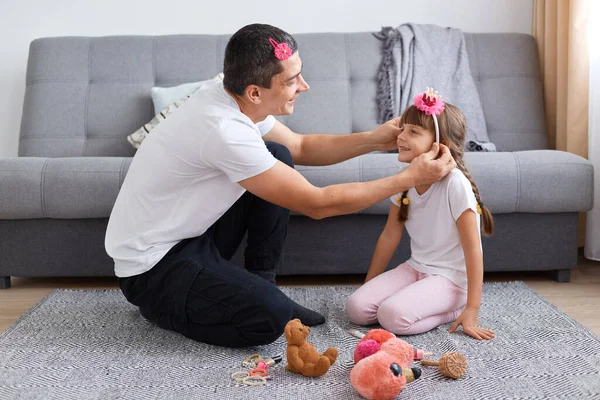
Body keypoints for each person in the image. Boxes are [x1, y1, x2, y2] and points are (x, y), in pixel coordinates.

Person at [105, 24, 456, 348]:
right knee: (269, 319)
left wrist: (374, 139)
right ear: (256, 92)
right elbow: (317, 204)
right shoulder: (224, 130)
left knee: (277, 152)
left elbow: (301, 147)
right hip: (153, 267)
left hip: (191, 235)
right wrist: (410, 178)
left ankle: (260, 280)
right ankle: (166, 310)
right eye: (293, 80)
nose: (304, 86)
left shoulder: (229, 91)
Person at [346, 88, 496, 340]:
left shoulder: (454, 184)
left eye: (413, 132)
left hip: (450, 279)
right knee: (356, 309)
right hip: (415, 268)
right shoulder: (406, 180)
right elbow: (389, 237)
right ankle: (416, 300)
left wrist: (472, 308)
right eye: (402, 129)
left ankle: (453, 309)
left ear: (440, 145)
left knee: (391, 317)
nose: (401, 137)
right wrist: (370, 285)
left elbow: (473, 250)